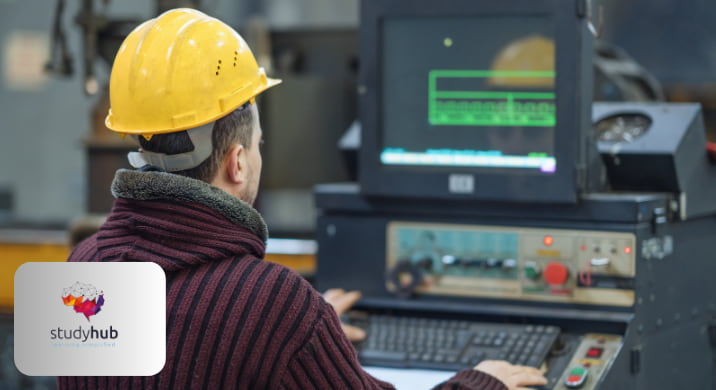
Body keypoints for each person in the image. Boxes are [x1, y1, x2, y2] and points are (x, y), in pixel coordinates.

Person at [59, 8, 547, 390]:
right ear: (237, 162)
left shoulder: (82, 269)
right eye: (258, 145)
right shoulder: (269, 303)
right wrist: (485, 382)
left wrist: (310, 335)